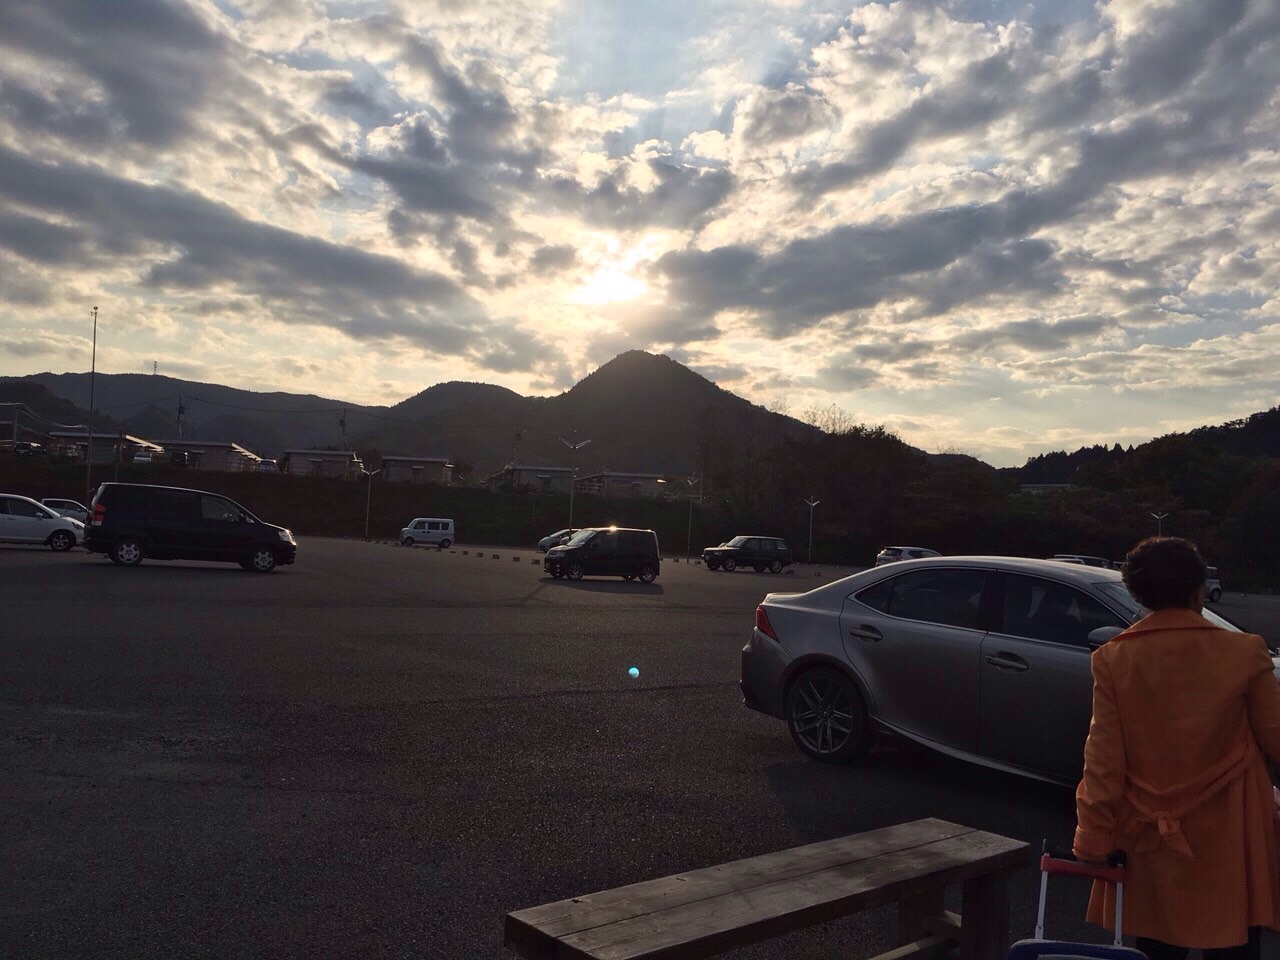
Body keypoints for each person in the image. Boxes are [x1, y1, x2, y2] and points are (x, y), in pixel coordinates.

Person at [1074, 537, 1280, 959]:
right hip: (1232, 833)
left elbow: (1103, 761)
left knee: (1158, 945)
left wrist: (1093, 836)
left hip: (1149, 833)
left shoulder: (1114, 659)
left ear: (1139, 595)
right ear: (1199, 590)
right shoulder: (1244, 651)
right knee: (1235, 943)